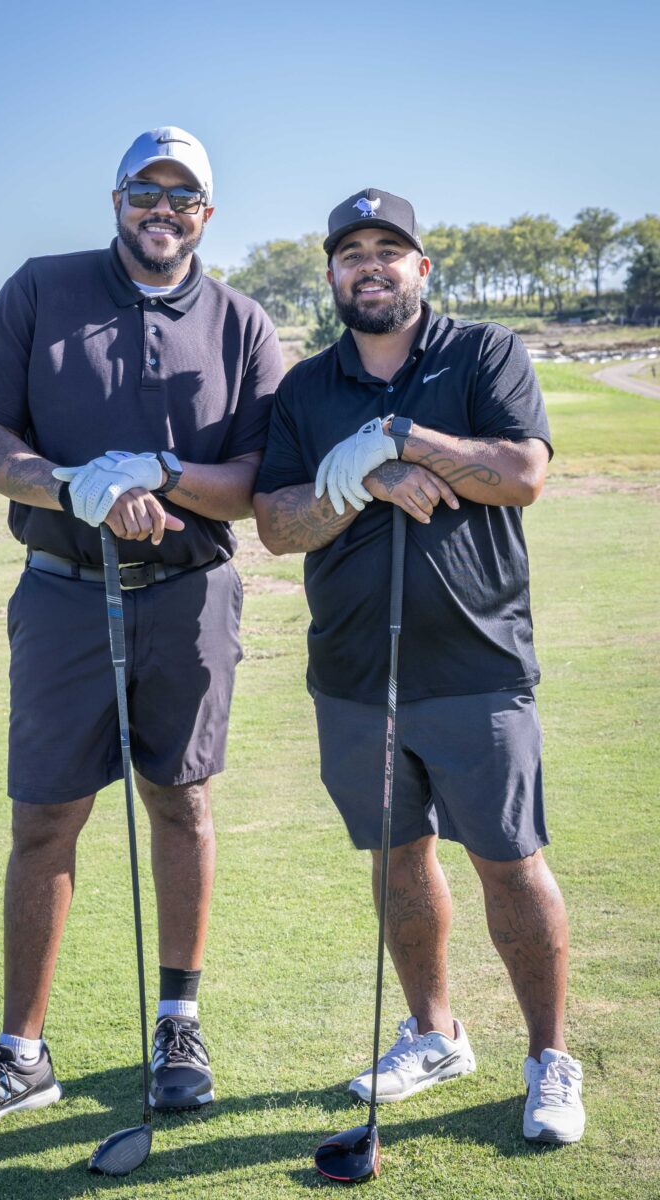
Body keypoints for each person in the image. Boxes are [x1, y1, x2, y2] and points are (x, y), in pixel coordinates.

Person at [0, 126, 283, 1141]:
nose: (162, 209)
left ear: (206, 212)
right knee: (44, 819)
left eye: (182, 195)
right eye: (143, 191)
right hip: (64, 594)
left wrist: (160, 473)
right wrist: (71, 485)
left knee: (182, 803)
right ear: (116, 200)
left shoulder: (242, 322)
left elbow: (256, 486)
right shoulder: (41, 288)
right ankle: (22, 1054)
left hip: (190, 597)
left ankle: (178, 1027)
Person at [253, 188, 585, 1145]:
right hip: (354, 673)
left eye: (388, 249)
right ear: (331, 274)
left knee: (510, 862)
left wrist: (403, 437)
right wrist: (363, 480)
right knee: (397, 858)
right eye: (351, 251)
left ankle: (549, 1059)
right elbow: (276, 525)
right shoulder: (305, 390)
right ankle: (435, 1036)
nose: (371, 264)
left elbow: (520, 474)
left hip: (478, 663)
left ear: (421, 268)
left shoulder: (483, 354)